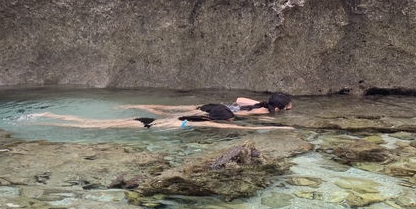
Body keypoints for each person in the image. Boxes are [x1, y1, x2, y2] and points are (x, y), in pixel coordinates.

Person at [29, 103, 292, 131]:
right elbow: (243, 130)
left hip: (146, 123)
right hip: (145, 127)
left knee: (90, 124)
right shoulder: (207, 125)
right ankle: (50, 119)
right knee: (92, 126)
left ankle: (51, 114)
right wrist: (280, 130)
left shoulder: (196, 118)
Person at [123, 93, 294, 117]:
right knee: (171, 116)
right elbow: (242, 114)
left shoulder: (259, 104)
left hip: (215, 105)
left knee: (179, 109)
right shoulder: (264, 111)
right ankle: (148, 111)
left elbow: (240, 99)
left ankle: (142, 105)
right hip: (221, 111)